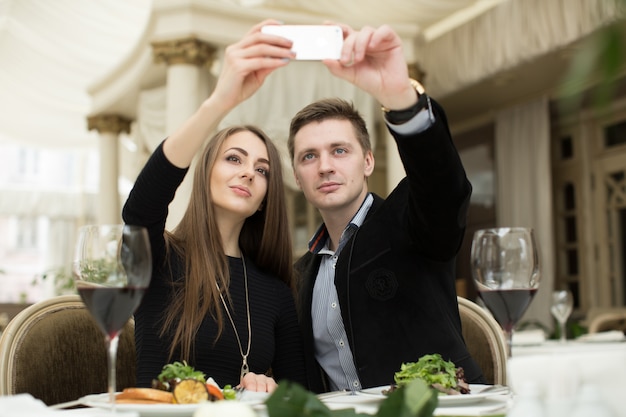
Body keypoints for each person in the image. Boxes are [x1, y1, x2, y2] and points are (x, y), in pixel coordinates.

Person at [284, 23, 486, 392]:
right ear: (297, 177)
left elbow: (444, 187)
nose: (325, 165)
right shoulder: (298, 276)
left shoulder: (410, 223)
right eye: (309, 156)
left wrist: (401, 99)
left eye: (339, 150)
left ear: (368, 162)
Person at [121, 20, 307, 393]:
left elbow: (303, 394)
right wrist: (221, 101)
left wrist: (269, 386)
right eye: (234, 159)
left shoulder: (276, 290)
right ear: (204, 173)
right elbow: (140, 208)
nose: (249, 174)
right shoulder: (159, 258)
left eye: (262, 169)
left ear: (264, 201)